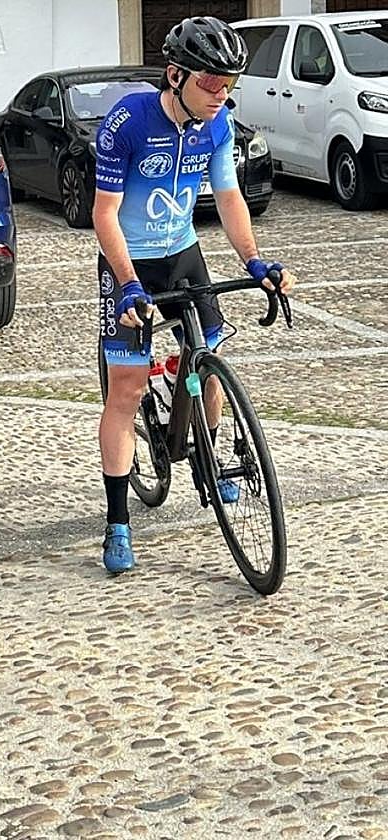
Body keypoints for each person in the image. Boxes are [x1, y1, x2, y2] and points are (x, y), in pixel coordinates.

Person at [93, 16, 297, 574]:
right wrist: (129, 283)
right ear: (176, 74)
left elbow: (229, 199)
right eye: (210, 82)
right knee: (128, 389)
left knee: (209, 363)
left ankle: (208, 458)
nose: (221, 93)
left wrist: (253, 260)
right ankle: (116, 521)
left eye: (229, 83)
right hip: (129, 260)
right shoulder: (128, 122)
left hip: (183, 254)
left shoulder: (218, 125)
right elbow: (103, 214)